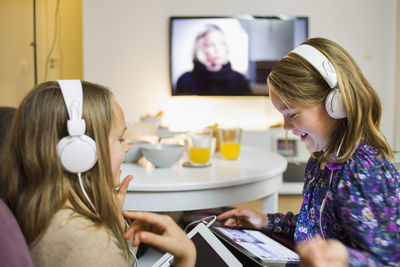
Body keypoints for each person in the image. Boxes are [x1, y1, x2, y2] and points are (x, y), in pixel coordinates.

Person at [217, 38, 400, 266]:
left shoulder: (362, 172)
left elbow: (390, 258)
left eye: (292, 114)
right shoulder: (320, 159)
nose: (285, 126)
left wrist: (343, 258)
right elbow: (314, 225)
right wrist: (265, 221)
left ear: (337, 103)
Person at [0, 80, 195, 267]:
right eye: (120, 138)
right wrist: (186, 257)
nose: (127, 147)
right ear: (79, 152)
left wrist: (112, 225)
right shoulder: (88, 245)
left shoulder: (30, 206)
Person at [175, 24, 251, 95]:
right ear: (200, 49)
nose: (217, 50)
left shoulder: (239, 80)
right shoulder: (186, 80)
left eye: (221, 43)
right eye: (211, 45)